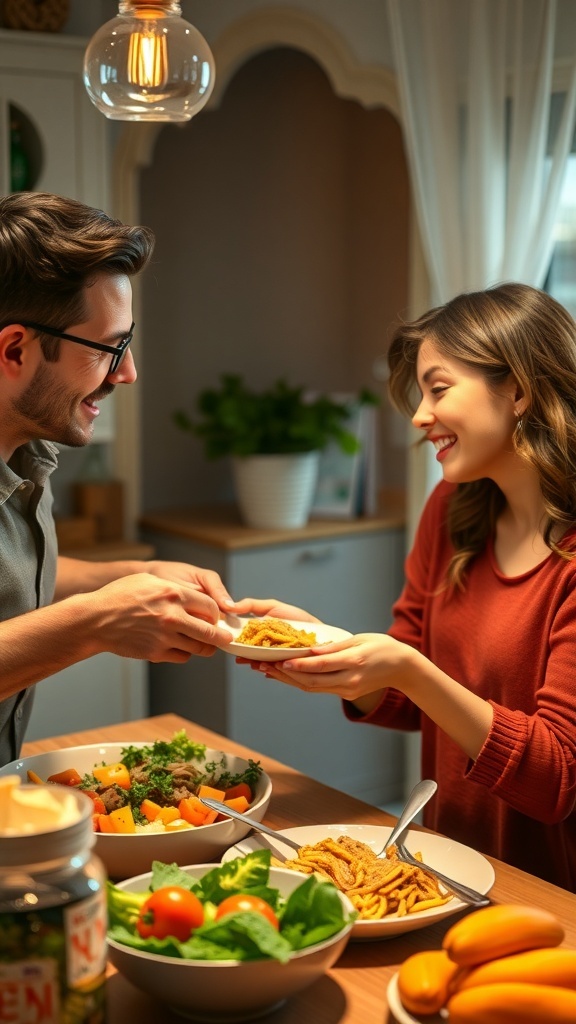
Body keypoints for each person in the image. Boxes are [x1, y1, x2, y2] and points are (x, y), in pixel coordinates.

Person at [234, 282, 576, 891]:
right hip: (447, 871)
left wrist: (407, 668)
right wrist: (329, 647)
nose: (419, 416)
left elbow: (555, 779)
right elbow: (410, 697)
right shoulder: (451, 512)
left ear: (519, 389)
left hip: (549, 898)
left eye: (439, 389)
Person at [0, 191, 235, 766]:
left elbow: (14, 578)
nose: (127, 373)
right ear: (14, 350)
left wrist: (129, 575)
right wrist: (98, 620)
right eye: (109, 347)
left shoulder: (26, 452)